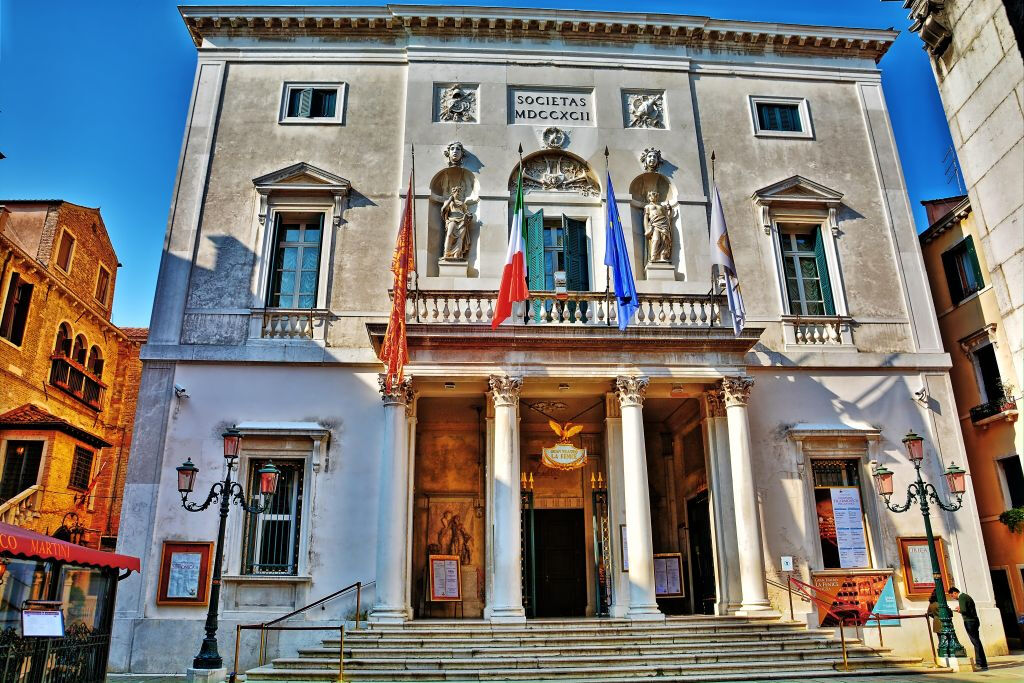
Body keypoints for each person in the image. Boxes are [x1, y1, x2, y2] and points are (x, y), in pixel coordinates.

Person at [949, 586, 987, 671]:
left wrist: (959, 610)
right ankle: (983, 663)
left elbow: (964, 610)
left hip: (969, 621)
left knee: (975, 642)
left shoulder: (962, 597)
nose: (953, 598)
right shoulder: (965, 596)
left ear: (955, 593)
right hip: (974, 621)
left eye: (952, 596)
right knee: (977, 642)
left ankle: (980, 663)